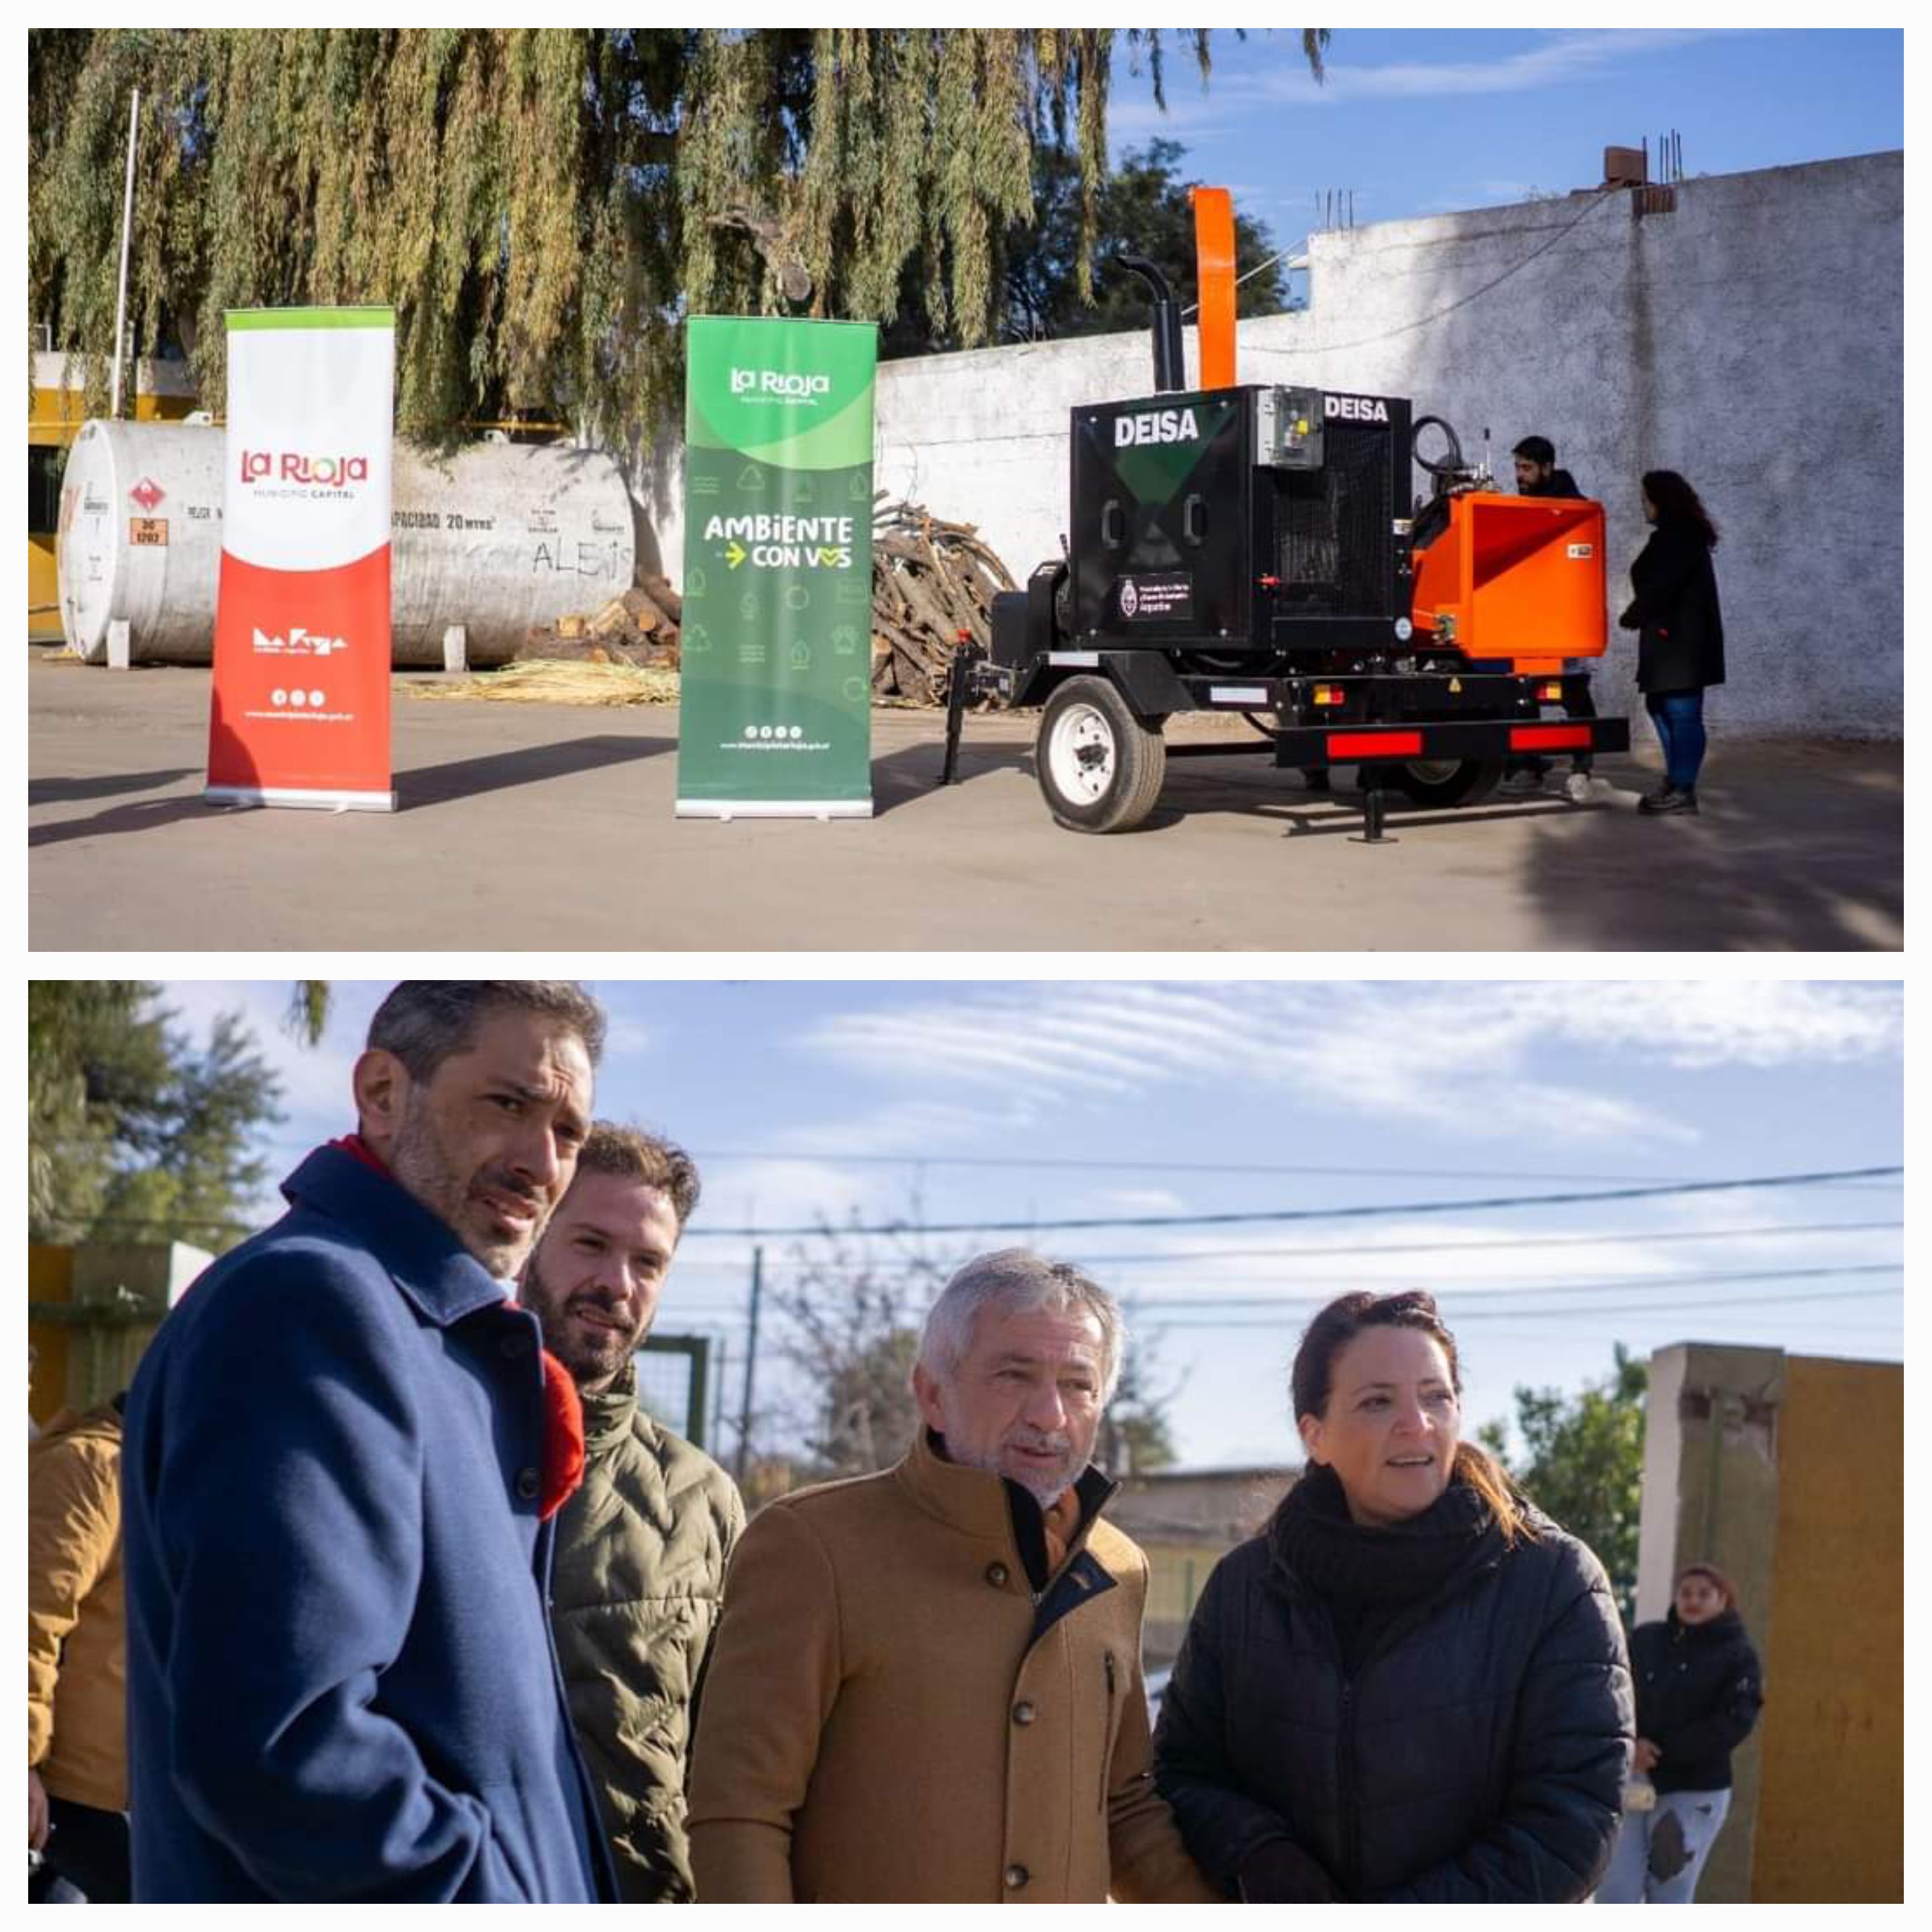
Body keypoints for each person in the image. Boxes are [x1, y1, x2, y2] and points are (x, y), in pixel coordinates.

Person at [121, 980, 619, 1902]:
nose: (541, 1163)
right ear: (384, 1092)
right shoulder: (312, 1304)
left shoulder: (432, 1331)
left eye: (568, 1133)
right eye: (509, 1105)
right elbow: (282, 1744)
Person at [686, 1249, 1216, 1904]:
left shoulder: (1117, 1568)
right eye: (1014, 1375)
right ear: (932, 1393)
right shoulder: (813, 1546)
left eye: (1079, 1385)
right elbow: (739, 1812)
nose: (1049, 1415)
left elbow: (1126, 1807)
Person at [1153, 1289, 1632, 1902]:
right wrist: (1258, 1853)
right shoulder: (1246, 1589)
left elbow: (1574, 1818)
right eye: (1378, 1402)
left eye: (1437, 1397)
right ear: (1315, 1435)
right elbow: (1182, 1773)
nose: (1418, 1424)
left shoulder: (1552, 1581)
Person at [523, 1122, 745, 1903]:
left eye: (648, 1262)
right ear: (532, 1235)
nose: (619, 1283)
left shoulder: (703, 1500)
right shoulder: (423, 1438)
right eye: (590, 1243)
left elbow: (732, 1762)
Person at [1596, 1563, 1763, 1904]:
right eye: (1686, 1593)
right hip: (1633, 1780)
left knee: (1668, 1891)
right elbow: (1614, 1690)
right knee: (1616, 1890)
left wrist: (1662, 1751)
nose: (1693, 1601)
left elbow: (1734, 1721)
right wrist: (1631, 1744)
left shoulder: (1737, 1657)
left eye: (1705, 1594)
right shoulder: (1646, 1640)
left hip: (1692, 1793)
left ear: (1724, 1600)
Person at [28, 1394, 131, 1903]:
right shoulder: (91, 1468)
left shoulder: (142, 1476)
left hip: (121, 1792)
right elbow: (27, 1625)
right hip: (70, 1797)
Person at [1619, 468, 1725, 815]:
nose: (1643, 507)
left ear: (1661, 500)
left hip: (1682, 643)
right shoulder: (1675, 535)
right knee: (1660, 706)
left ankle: (1683, 788)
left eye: (1646, 500)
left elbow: (1663, 585)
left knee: (1681, 711)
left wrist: (1634, 614)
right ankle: (1678, 780)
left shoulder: (1679, 537)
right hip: (1669, 640)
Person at [1513, 433, 1583, 498]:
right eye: (1517, 467)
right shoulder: (1531, 498)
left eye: (1527, 468)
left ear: (1546, 468)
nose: (1519, 475)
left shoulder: (1573, 508)